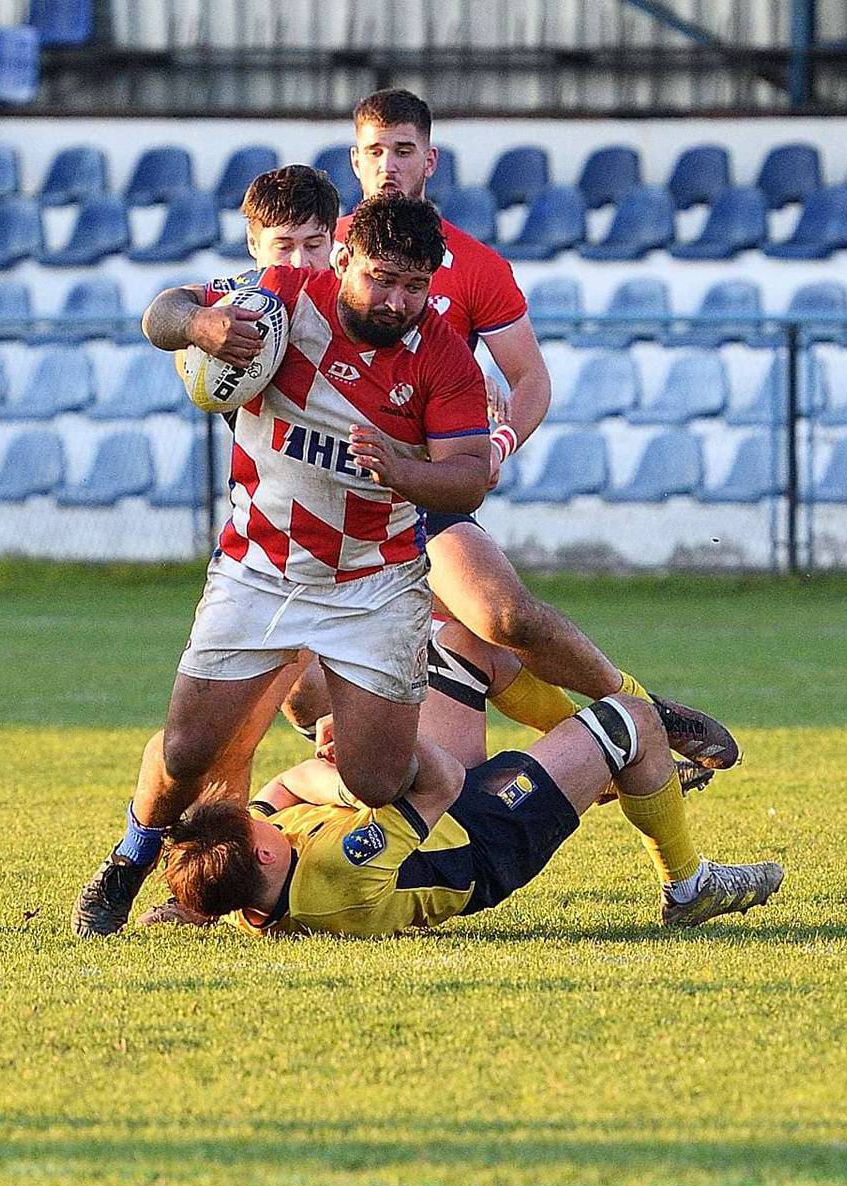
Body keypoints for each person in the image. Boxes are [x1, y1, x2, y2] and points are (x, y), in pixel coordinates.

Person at [70, 195, 491, 937]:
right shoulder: (279, 300)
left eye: (416, 286)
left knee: (373, 779)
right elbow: (162, 312)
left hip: (375, 582)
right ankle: (130, 860)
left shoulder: (444, 358)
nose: (398, 301)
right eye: (383, 278)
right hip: (259, 566)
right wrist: (202, 326)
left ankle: (334, 819)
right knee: (187, 750)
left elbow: (470, 476)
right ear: (343, 260)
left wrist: (402, 469)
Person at [338, 88, 737, 768]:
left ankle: (636, 710)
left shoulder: (476, 265)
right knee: (377, 732)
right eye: (375, 152)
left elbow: (531, 379)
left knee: (503, 619)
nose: (388, 166)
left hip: (419, 494)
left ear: (429, 160)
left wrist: (496, 441)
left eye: (403, 150)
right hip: (326, 501)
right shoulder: (328, 248)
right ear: (355, 159)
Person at [154, 620, 784, 938]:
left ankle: (606, 764)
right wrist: (367, 753)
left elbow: (291, 785)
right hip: (484, 836)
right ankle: (688, 882)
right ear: (264, 850)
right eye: (255, 820)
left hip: (434, 817)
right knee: (632, 723)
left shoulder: (260, 872)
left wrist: (347, 782)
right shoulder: (342, 869)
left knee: (459, 642)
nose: (259, 809)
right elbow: (440, 778)